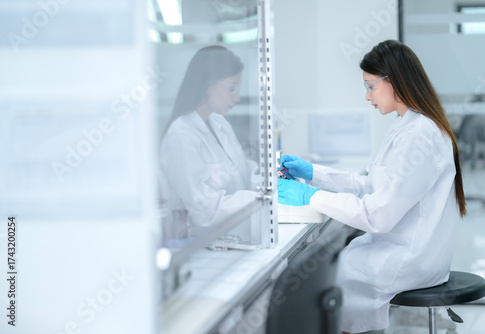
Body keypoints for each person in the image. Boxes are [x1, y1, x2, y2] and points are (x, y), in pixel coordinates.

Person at [277, 40, 466, 334]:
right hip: (404, 246)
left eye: (370, 86)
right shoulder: (408, 125)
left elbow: (377, 215)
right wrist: (314, 174)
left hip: (411, 258)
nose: (367, 97)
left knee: (330, 275)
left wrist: (310, 197)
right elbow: (371, 186)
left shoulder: (419, 135)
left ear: (394, 81)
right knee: (338, 266)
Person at [159, 45, 259, 244]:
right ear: (207, 85)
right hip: (200, 250)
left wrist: (273, 183)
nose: (237, 97)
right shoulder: (181, 135)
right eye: (232, 88)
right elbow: (204, 210)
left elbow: (243, 174)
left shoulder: (219, 122)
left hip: (235, 242)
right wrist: (262, 198)